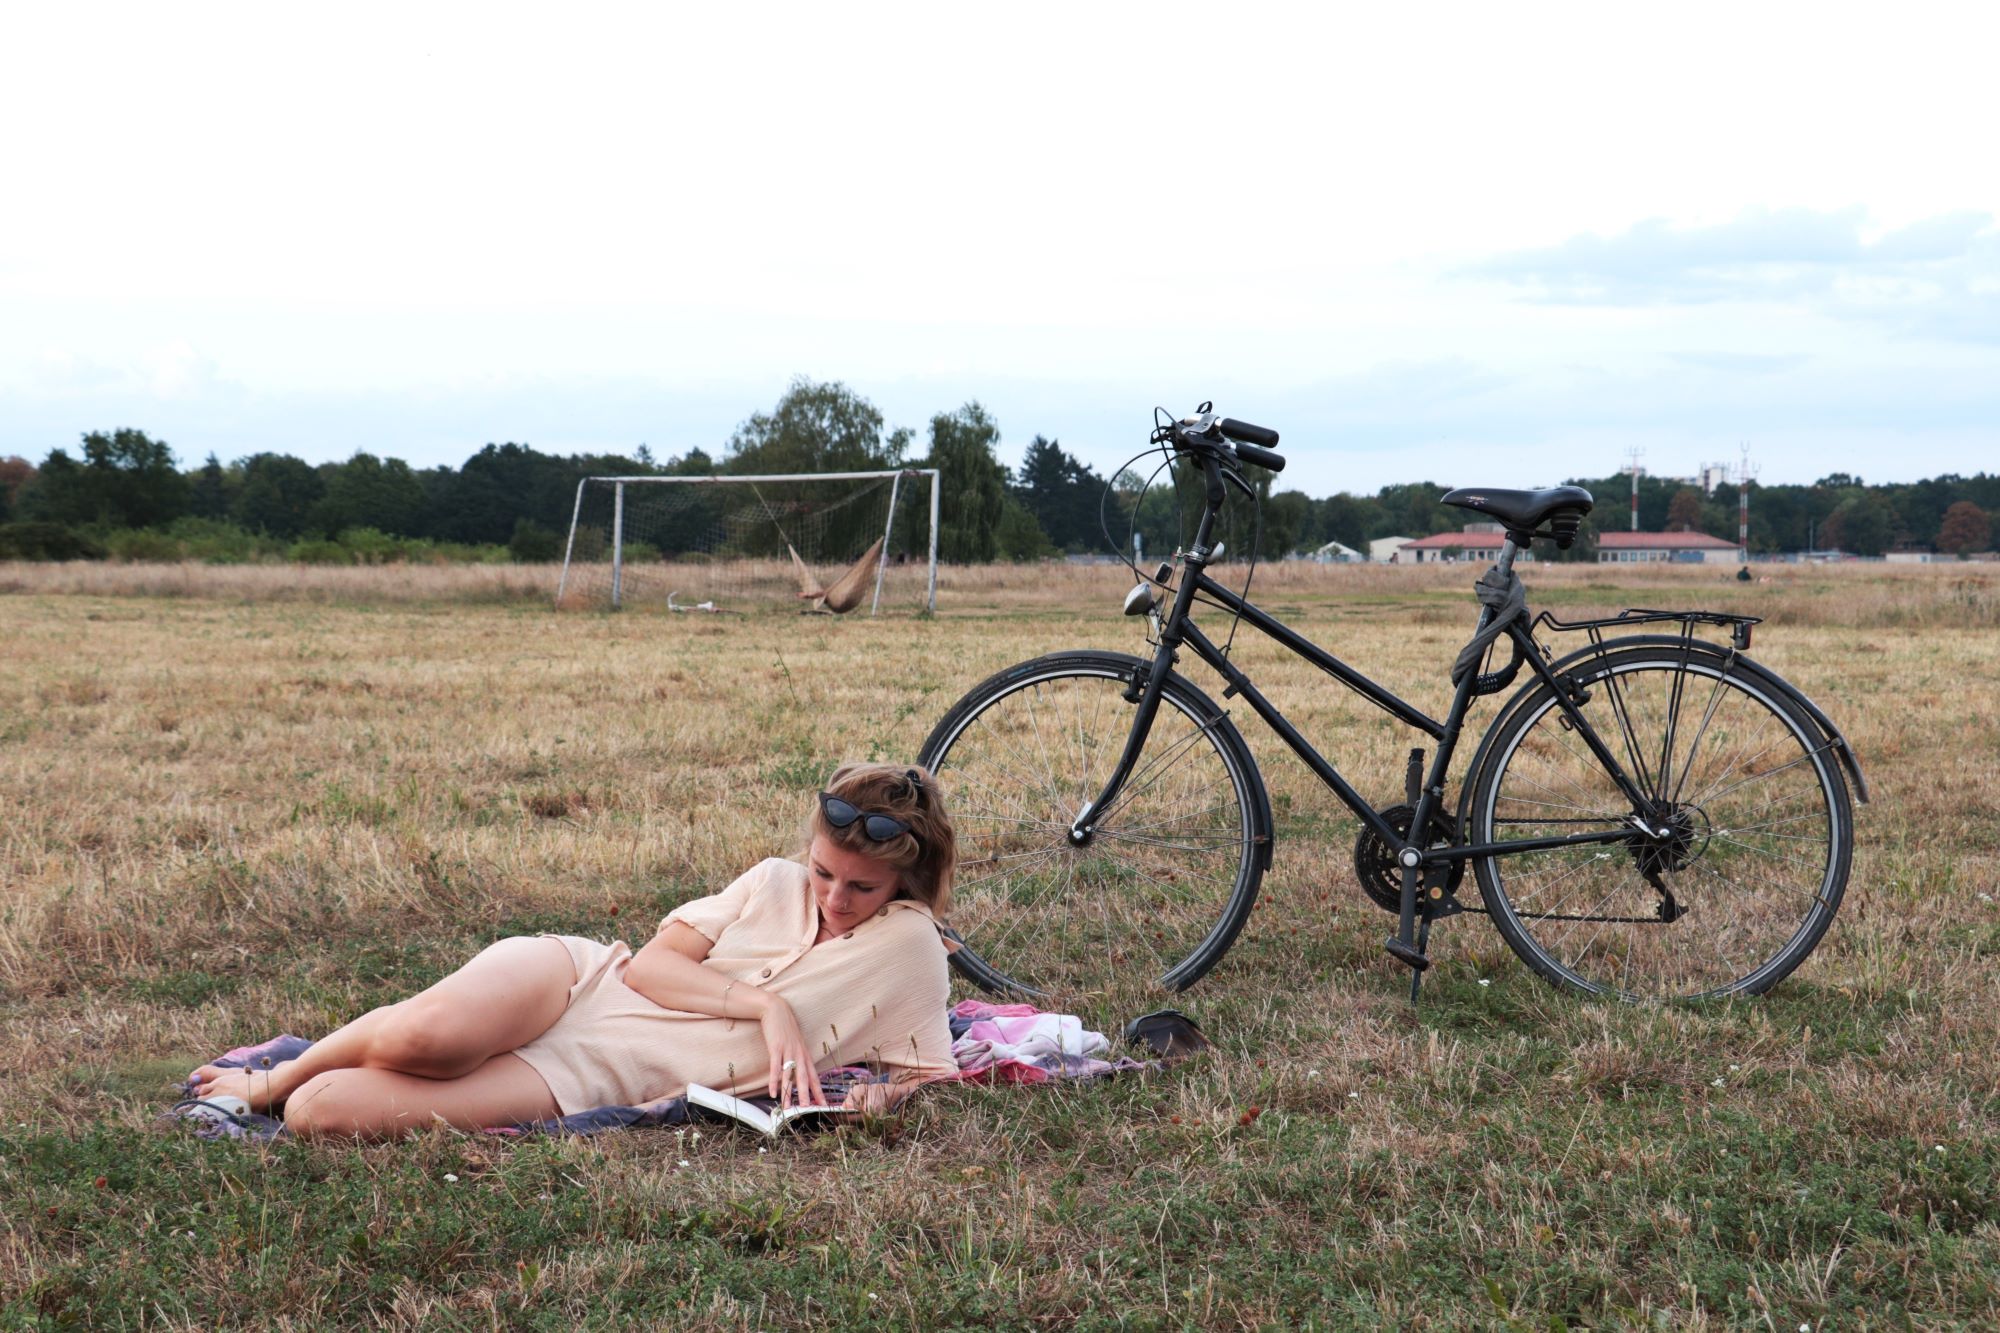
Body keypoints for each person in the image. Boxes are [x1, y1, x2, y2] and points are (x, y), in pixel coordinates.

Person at [189, 763, 960, 1139]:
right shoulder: (771, 880)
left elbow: (930, 1070)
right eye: (824, 872)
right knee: (427, 1037)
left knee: (322, 1114)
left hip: (588, 1071)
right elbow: (652, 966)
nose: (831, 896)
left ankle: (301, 1082)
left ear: (905, 882)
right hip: (577, 978)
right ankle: (271, 1075)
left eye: (859, 887)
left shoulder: (910, 947)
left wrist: (877, 1098)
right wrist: (765, 1004)